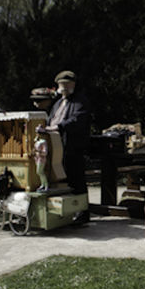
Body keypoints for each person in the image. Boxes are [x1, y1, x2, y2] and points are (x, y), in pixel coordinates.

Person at [45, 70, 91, 223]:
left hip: (72, 147)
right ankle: (66, 211)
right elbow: (51, 119)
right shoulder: (57, 103)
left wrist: (58, 127)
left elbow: (77, 120)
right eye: (61, 84)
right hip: (56, 146)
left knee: (76, 179)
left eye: (67, 83)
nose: (64, 86)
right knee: (61, 180)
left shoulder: (80, 101)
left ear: (74, 84)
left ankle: (82, 213)